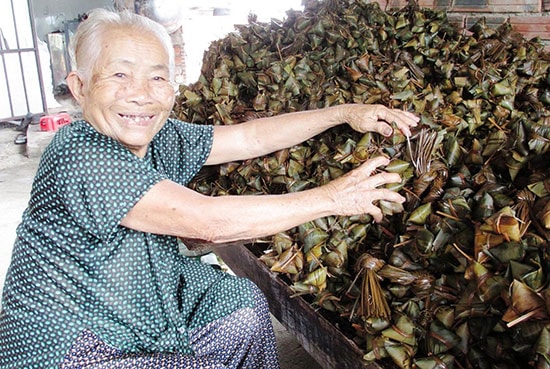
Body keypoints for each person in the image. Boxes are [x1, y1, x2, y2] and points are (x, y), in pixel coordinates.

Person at [0, 8, 419, 369]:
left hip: (137, 298)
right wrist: (335, 197)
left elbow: (249, 139)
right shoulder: (80, 153)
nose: (141, 96)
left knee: (240, 302)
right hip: (73, 340)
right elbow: (210, 221)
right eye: (119, 75)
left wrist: (344, 113)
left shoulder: (157, 135)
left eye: (157, 77)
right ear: (79, 87)